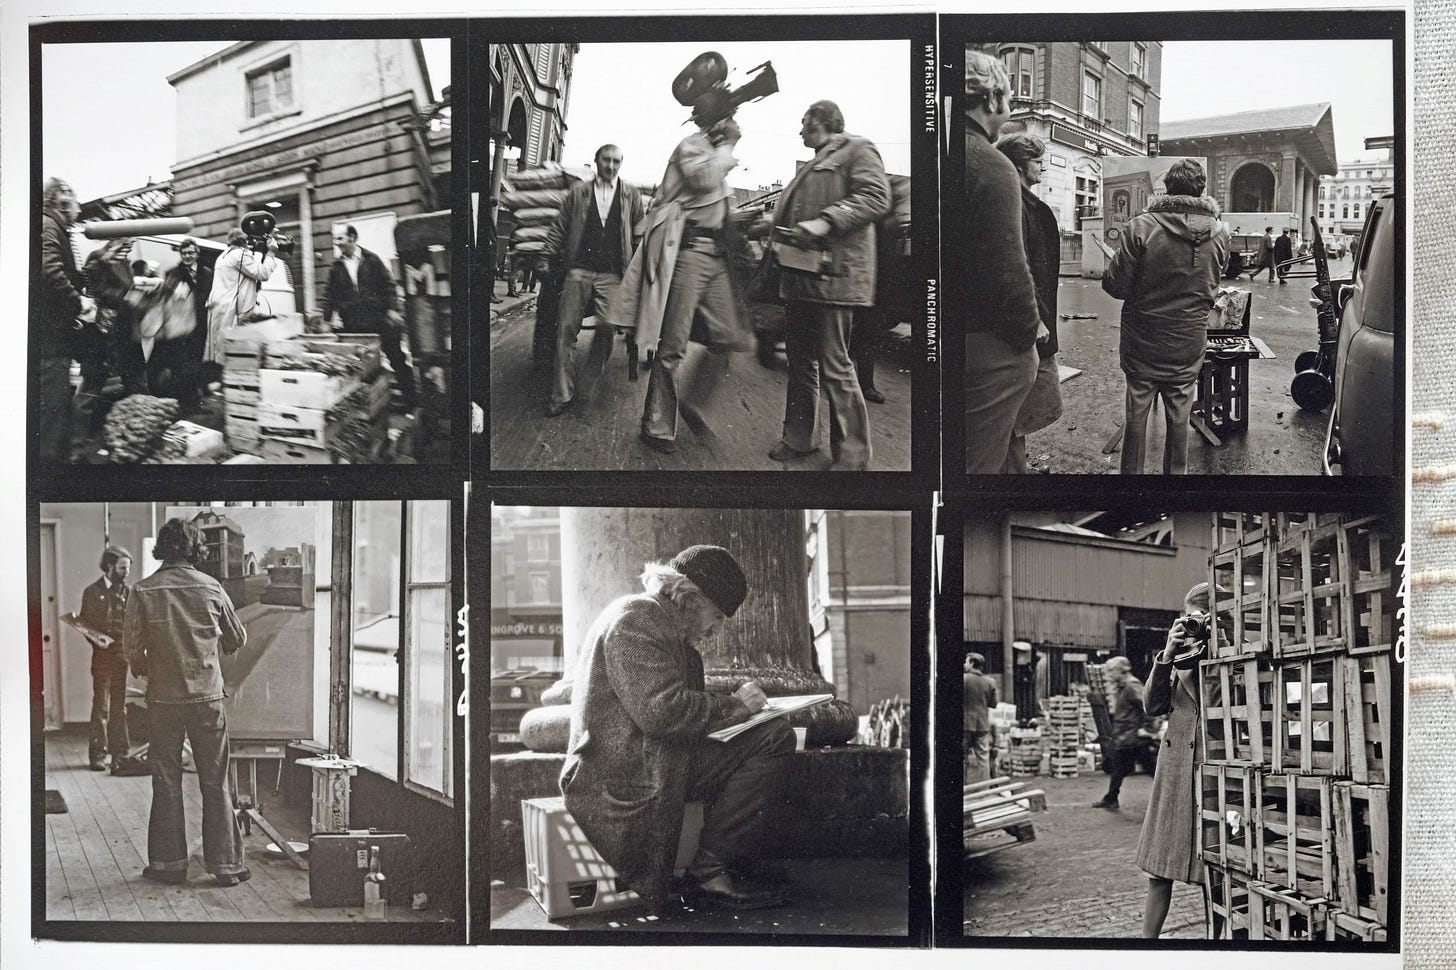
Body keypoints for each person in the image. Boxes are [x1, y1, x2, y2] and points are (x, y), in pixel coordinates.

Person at [561, 544, 795, 914]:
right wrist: (736, 706)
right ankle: (709, 871)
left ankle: (719, 863)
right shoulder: (637, 618)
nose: (715, 630)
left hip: (644, 764)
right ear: (689, 596)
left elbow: (667, 708)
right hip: (622, 778)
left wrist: (740, 713)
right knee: (774, 738)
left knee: (768, 735)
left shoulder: (657, 624)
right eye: (716, 615)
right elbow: (661, 712)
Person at [612, 105, 752, 455]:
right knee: (673, 344)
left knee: (728, 338)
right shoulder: (691, 145)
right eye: (724, 116)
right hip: (688, 252)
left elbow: (718, 202)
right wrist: (729, 144)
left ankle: (693, 402)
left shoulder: (710, 151)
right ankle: (656, 426)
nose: (730, 121)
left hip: (716, 254)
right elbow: (704, 179)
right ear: (709, 121)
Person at [124, 517, 249, 888]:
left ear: (163, 547)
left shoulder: (143, 590)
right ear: (197, 549)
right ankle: (226, 866)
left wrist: (150, 664)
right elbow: (237, 637)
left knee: (165, 779)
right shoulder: (212, 587)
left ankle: (168, 864)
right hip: (207, 697)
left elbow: (132, 649)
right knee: (215, 780)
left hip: (163, 698)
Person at [766, 100, 889, 471]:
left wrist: (823, 223)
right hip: (801, 279)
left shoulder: (857, 148)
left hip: (834, 280)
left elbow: (875, 196)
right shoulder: (815, 161)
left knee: (835, 364)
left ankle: (853, 455)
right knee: (801, 363)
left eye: (803, 122)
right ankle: (799, 439)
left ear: (820, 121)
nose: (799, 129)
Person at [1102, 158, 1230, 475]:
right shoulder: (1220, 234)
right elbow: (1213, 283)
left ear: (1168, 189)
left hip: (1142, 341)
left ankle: (1130, 489)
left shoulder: (1141, 227)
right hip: (1189, 340)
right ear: (1201, 191)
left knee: (1136, 418)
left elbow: (1116, 287)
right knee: (1180, 419)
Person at [963, 51, 1040, 474]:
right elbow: (1008, 268)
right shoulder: (991, 165)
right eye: (1008, 99)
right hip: (990, 341)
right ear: (992, 99)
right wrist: (1029, 334)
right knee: (978, 464)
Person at [540, 144, 646, 417]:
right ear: (596, 161)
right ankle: (561, 394)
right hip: (579, 270)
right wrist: (546, 256)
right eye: (606, 160)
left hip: (612, 274)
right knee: (565, 330)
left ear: (621, 164)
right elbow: (560, 227)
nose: (611, 166)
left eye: (616, 161)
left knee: (608, 328)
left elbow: (638, 236)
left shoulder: (631, 196)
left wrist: (641, 271)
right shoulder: (579, 192)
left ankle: (586, 383)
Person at [1136, 582, 1216, 938]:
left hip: (1213, 770)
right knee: (1159, 870)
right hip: (1174, 771)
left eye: (1197, 617)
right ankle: (1145, 944)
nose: (1191, 623)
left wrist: (1219, 644)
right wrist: (1167, 653)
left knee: (1214, 871)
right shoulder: (1180, 652)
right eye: (1187, 618)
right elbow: (1152, 707)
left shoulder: (1232, 651)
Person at [996, 133, 1063, 473]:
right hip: (1027, 326)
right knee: (1014, 413)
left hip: (1032, 321)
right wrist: (1036, 319)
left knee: (1015, 415)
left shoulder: (1027, 205)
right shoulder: (1018, 207)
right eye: (1038, 162)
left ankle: (1016, 468)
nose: (1043, 169)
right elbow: (1022, 270)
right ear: (1021, 165)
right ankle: (1015, 474)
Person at [314, 225, 417, 413]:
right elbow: (330, 296)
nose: (337, 244)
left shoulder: (372, 260)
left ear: (352, 238)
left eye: (340, 239)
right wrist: (327, 321)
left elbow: (389, 286)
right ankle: (371, 405)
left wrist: (393, 310)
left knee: (396, 358)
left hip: (379, 319)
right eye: (336, 240)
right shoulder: (336, 267)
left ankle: (411, 402)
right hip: (354, 323)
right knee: (362, 364)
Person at [35, 177, 90, 462]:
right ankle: (52, 468)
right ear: (62, 200)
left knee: (56, 408)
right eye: (75, 201)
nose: (79, 208)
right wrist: (78, 302)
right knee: (52, 410)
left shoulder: (54, 228)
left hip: (55, 338)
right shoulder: (47, 226)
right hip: (50, 341)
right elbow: (49, 270)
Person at [78, 546, 133, 773]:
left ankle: (120, 753)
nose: (126, 572)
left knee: (119, 707)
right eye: (122, 567)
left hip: (122, 656)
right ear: (109, 567)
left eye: (128, 567)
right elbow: (83, 624)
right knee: (102, 705)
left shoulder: (128, 592)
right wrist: (95, 640)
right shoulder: (92, 592)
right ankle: (98, 755)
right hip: (101, 657)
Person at [205, 228, 277, 367]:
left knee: (220, 350)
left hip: (220, 308)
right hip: (233, 311)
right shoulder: (240, 255)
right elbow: (262, 274)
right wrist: (271, 253)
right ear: (243, 243)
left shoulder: (223, 256)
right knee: (234, 352)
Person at [1091, 656, 1146, 811]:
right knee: (1118, 769)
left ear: (1122, 669)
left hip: (1133, 736)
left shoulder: (1132, 685)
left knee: (1151, 768)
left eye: (1111, 671)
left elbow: (1148, 706)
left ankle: (1172, 797)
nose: (1109, 674)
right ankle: (1111, 798)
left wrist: (1145, 728)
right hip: (1124, 736)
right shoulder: (1122, 686)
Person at [963, 653, 998, 783]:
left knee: (962, 757)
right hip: (982, 725)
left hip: (964, 724)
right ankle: (985, 788)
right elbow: (993, 704)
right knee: (983, 758)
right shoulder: (990, 682)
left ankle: (962, 788)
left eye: (966, 662)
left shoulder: (963, 680)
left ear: (972, 663)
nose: (965, 664)